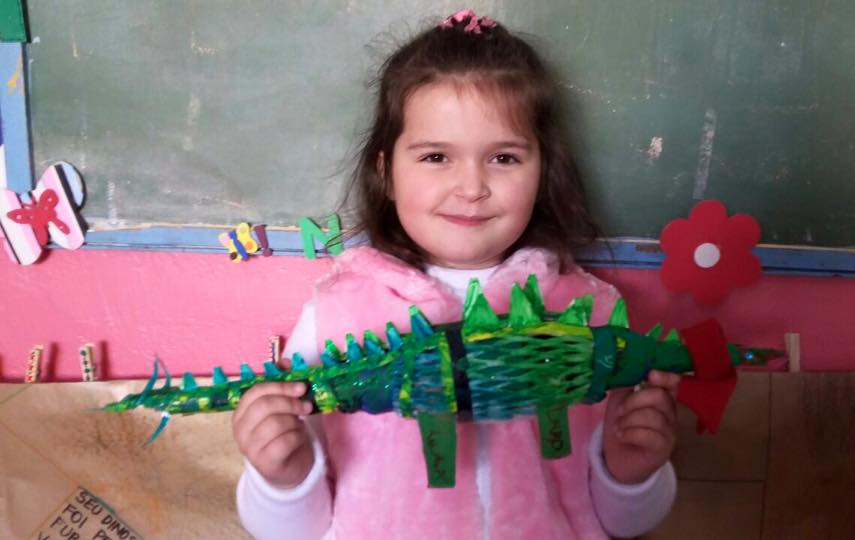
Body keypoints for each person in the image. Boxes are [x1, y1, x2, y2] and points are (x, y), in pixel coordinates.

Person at [233, 10, 678, 539]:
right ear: (386, 172)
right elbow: (294, 532)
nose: (471, 187)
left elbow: (620, 522)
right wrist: (283, 480)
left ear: (543, 171)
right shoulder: (336, 315)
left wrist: (632, 473)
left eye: (504, 158)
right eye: (436, 157)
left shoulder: (592, 312)